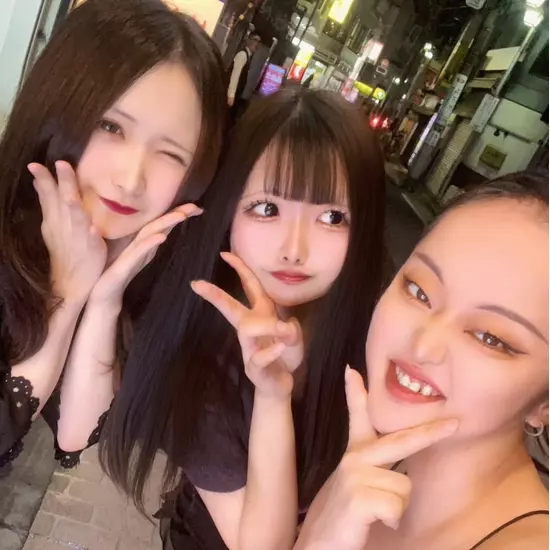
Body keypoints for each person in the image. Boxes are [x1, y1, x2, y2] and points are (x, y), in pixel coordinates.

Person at [96, 88, 387, 549]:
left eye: (333, 217)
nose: (295, 248)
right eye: (267, 209)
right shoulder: (196, 362)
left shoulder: (381, 332)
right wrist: (272, 395)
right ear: (228, 211)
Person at [0, 0, 226, 469]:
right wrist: (66, 294)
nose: (131, 179)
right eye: (111, 126)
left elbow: (74, 436)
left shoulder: (138, 264)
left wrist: (104, 300)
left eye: (171, 154)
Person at [295, 173, 549, 550]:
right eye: (419, 291)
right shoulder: (370, 463)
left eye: (490, 338)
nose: (423, 346)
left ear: (544, 404)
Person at [227, 32, 262, 121]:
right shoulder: (242, 55)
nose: (257, 44)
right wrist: (231, 95)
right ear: (248, 40)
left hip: (237, 95)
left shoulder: (248, 56)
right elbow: (235, 75)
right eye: (255, 40)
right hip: (232, 96)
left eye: (259, 42)